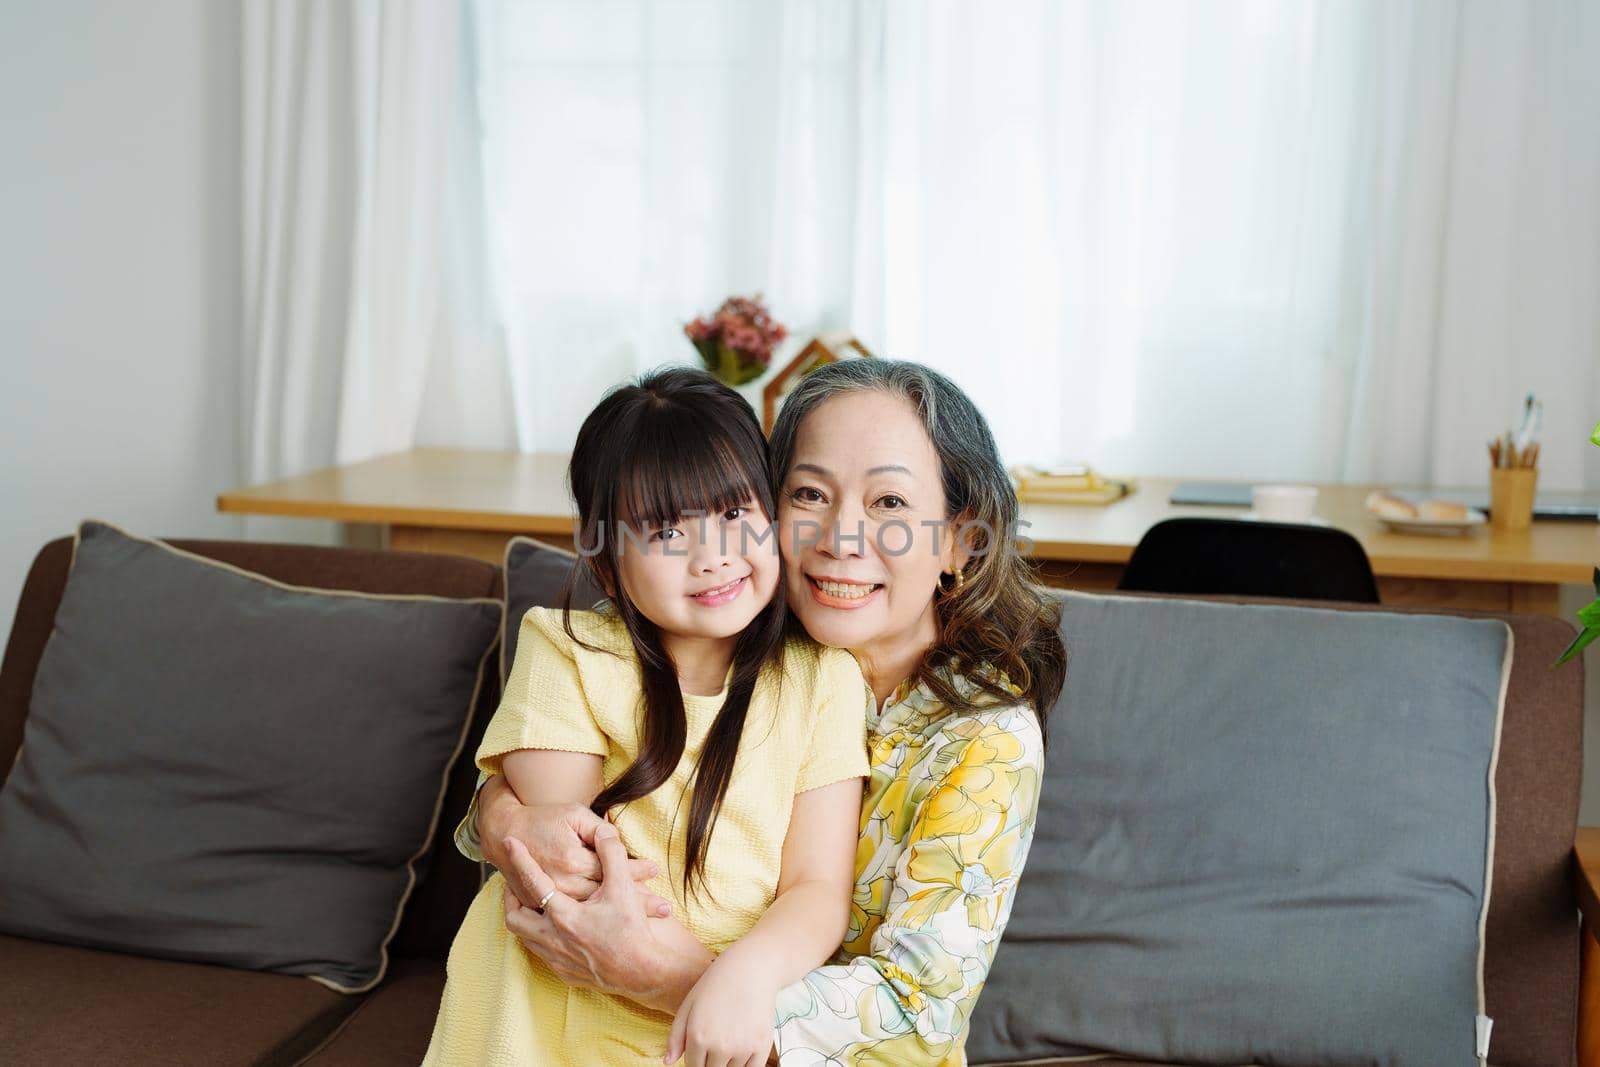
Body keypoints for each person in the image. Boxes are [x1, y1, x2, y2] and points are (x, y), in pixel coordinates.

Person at [462, 359, 1067, 1065]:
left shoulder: (986, 743)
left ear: (961, 540)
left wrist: (682, 980)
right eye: (809, 492)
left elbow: (912, 1016)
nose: (841, 538)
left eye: (890, 504)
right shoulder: (718, 623)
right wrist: (501, 814)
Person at [424, 368, 871, 1066]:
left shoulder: (823, 680)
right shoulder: (565, 649)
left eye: (733, 514)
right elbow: (573, 867)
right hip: (550, 1012)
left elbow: (816, 888)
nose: (713, 556)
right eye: (666, 531)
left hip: (704, 1021)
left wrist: (739, 980)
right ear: (607, 564)